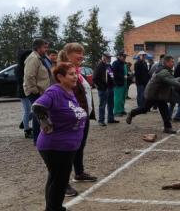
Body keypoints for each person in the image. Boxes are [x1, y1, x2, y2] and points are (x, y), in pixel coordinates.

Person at [32, 62, 87, 211]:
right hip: (55, 146)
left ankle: (53, 208)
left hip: (66, 146)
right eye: (71, 74)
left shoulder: (70, 92)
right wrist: (46, 124)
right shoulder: (54, 91)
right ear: (60, 77)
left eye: (75, 73)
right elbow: (37, 106)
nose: (75, 76)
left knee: (56, 179)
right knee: (59, 181)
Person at [58, 43, 97, 197]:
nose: (81, 56)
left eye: (82, 53)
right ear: (68, 54)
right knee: (68, 151)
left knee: (79, 146)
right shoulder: (62, 72)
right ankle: (62, 184)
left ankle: (79, 173)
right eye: (77, 53)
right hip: (71, 118)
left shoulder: (77, 72)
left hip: (82, 116)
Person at [126, 56, 180, 134]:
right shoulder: (163, 72)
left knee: (164, 111)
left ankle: (167, 128)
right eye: (172, 62)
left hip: (159, 95)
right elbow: (173, 82)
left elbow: (173, 79)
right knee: (144, 109)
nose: (173, 63)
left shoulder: (166, 70)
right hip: (153, 95)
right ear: (167, 63)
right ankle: (132, 113)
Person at [23, 38, 51, 145]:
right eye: (44, 47)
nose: (46, 49)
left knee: (42, 114)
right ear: (38, 48)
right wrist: (35, 91)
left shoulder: (42, 57)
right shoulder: (33, 58)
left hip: (43, 91)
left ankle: (43, 136)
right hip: (36, 92)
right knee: (38, 114)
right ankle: (37, 139)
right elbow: (29, 76)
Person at [93, 52, 119, 126]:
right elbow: (95, 78)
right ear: (104, 57)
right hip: (103, 89)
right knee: (102, 105)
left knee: (111, 104)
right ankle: (101, 120)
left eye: (110, 57)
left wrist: (113, 84)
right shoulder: (99, 66)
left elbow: (111, 76)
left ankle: (110, 118)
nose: (110, 58)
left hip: (110, 88)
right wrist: (101, 87)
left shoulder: (108, 66)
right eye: (108, 57)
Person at [16, 49, 34, 139]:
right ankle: (27, 130)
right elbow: (21, 81)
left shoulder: (28, 66)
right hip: (24, 92)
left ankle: (24, 123)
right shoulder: (19, 68)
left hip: (28, 91)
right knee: (27, 111)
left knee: (32, 110)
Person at [111, 51, 128, 116]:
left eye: (125, 56)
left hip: (123, 82)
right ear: (119, 56)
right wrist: (122, 76)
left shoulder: (123, 63)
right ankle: (117, 112)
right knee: (118, 98)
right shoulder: (115, 63)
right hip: (118, 83)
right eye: (123, 56)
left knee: (123, 97)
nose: (124, 58)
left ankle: (121, 110)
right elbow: (114, 73)